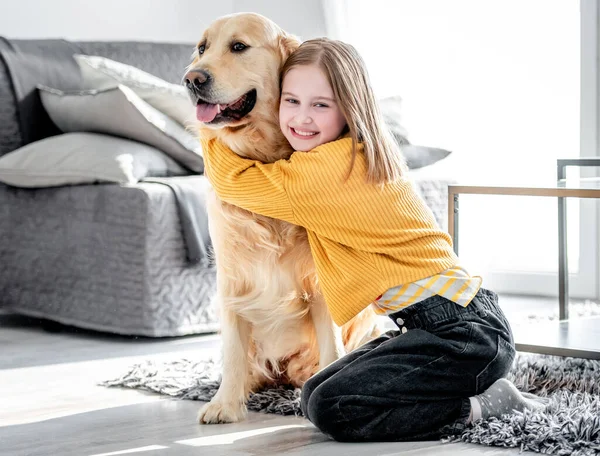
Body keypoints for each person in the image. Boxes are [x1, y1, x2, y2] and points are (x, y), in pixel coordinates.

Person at [199, 38, 548, 442]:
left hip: (463, 333)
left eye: (321, 105)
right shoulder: (350, 152)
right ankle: (468, 385)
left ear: (350, 109)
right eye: (291, 101)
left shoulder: (330, 170)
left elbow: (232, 180)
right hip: (443, 324)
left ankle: (482, 405)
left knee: (334, 407)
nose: (301, 118)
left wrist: (211, 119)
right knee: (314, 390)